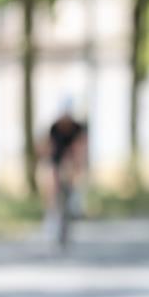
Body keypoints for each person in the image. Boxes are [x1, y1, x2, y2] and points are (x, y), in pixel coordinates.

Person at [39, 96, 88, 227]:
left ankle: (75, 199)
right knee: (50, 179)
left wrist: (77, 161)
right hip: (57, 156)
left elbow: (81, 146)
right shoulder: (54, 127)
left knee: (76, 169)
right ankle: (51, 212)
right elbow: (48, 146)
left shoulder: (78, 127)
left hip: (72, 156)